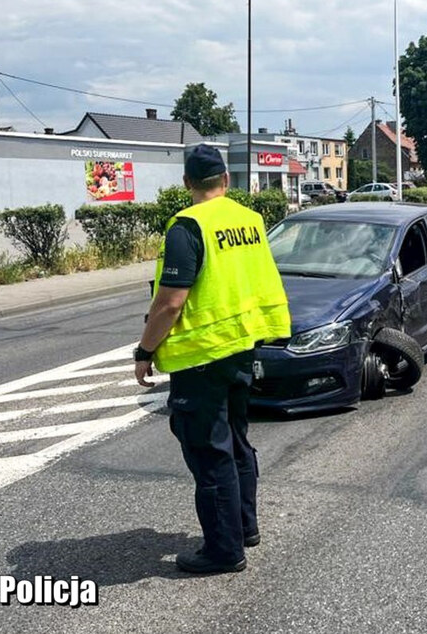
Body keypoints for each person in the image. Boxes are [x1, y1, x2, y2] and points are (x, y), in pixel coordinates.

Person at [133, 144, 291, 574]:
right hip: (243, 345)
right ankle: (245, 528)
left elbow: (170, 302)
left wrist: (145, 351)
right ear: (226, 181)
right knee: (238, 440)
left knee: (209, 453)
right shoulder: (251, 220)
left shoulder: (187, 226)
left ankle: (224, 550)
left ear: (186, 183)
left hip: (201, 356)